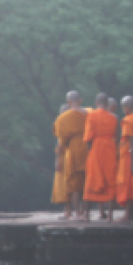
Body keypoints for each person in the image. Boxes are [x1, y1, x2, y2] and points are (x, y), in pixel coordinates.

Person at [83, 93, 119, 221]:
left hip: (96, 149)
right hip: (110, 149)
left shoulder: (91, 115)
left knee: (91, 179)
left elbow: (88, 137)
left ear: (96, 102)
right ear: (107, 103)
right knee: (110, 179)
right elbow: (117, 137)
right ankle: (110, 215)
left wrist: (89, 152)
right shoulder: (113, 118)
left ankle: (86, 214)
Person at [54, 91, 89, 220]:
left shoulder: (63, 118)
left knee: (73, 184)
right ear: (81, 100)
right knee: (86, 182)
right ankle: (86, 213)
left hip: (73, 150)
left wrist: (58, 159)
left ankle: (78, 213)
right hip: (87, 148)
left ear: (68, 102)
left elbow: (61, 141)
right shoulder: (89, 114)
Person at [51, 104, 69, 210]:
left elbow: (60, 143)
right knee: (74, 183)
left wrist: (57, 160)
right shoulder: (75, 122)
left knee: (64, 185)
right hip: (72, 154)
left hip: (64, 155)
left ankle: (68, 211)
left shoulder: (60, 123)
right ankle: (79, 211)